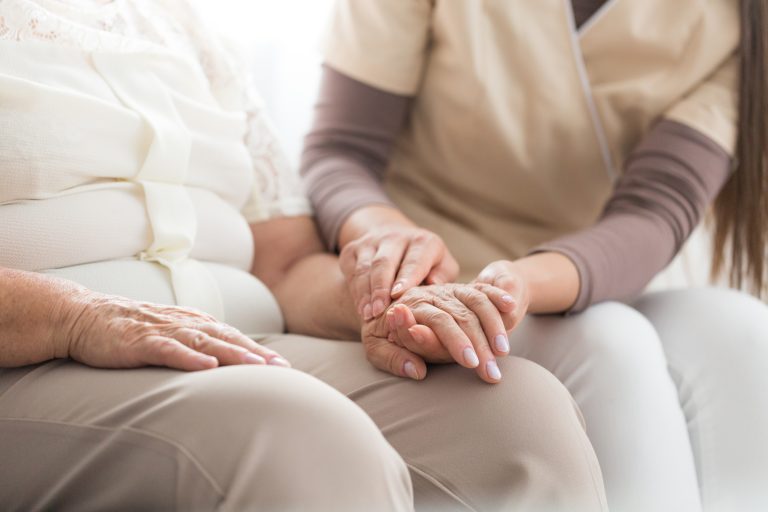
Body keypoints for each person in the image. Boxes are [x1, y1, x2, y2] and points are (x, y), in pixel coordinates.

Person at [0, 0, 607, 510]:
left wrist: (387, 303)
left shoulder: (182, 27)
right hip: (35, 354)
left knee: (514, 415)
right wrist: (74, 316)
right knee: (296, 432)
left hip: (240, 342)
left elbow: (285, 265)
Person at [301, 1, 768, 511]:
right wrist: (391, 243)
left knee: (743, 329)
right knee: (609, 339)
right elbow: (342, 149)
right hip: (428, 275)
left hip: (584, 277)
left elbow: (655, 210)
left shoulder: (740, 19)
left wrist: (519, 283)